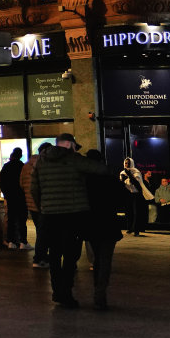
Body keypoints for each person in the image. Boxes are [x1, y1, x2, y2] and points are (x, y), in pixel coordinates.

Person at [29, 132, 106, 309]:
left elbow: (34, 188)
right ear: (70, 145)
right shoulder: (74, 159)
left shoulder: (41, 160)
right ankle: (67, 292)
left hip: (50, 216)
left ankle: (57, 291)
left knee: (54, 255)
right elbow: (99, 169)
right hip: (73, 215)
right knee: (71, 256)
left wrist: (43, 206)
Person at [82, 149, 123, 311]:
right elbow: (120, 198)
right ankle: (100, 292)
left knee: (98, 258)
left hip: (91, 223)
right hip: (108, 222)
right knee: (105, 259)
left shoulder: (84, 180)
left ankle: (97, 289)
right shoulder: (109, 177)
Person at [0, 148, 29, 249]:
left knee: (11, 219)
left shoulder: (6, 167)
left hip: (10, 197)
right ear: (20, 155)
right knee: (22, 220)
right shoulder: (22, 167)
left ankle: (11, 241)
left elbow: (1, 183)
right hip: (21, 197)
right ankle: (23, 241)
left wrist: (6, 194)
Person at [28, 142, 51, 269]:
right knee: (45, 233)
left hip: (35, 205)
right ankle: (41, 257)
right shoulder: (44, 165)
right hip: (46, 206)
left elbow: (28, 187)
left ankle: (40, 257)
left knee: (41, 233)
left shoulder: (27, 166)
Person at [118, 157, 150, 236]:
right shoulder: (122, 172)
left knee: (136, 212)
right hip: (128, 194)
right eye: (125, 163)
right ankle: (130, 228)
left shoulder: (136, 172)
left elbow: (137, 184)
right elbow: (122, 184)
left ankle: (136, 230)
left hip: (136, 194)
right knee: (129, 211)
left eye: (128, 163)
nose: (127, 165)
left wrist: (129, 175)